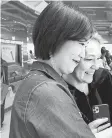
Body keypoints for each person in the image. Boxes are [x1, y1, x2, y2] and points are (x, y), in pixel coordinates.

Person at [9, 2, 97, 138]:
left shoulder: (37, 81)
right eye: (81, 44)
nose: (83, 54)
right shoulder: (46, 91)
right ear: (55, 39)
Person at [1, 58, 8, 129]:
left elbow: (5, 78)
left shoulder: (3, 64)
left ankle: (1, 122)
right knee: (2, 105)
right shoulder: (4, 63)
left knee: (1, 105)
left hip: (3, 86)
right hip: (4, 86)